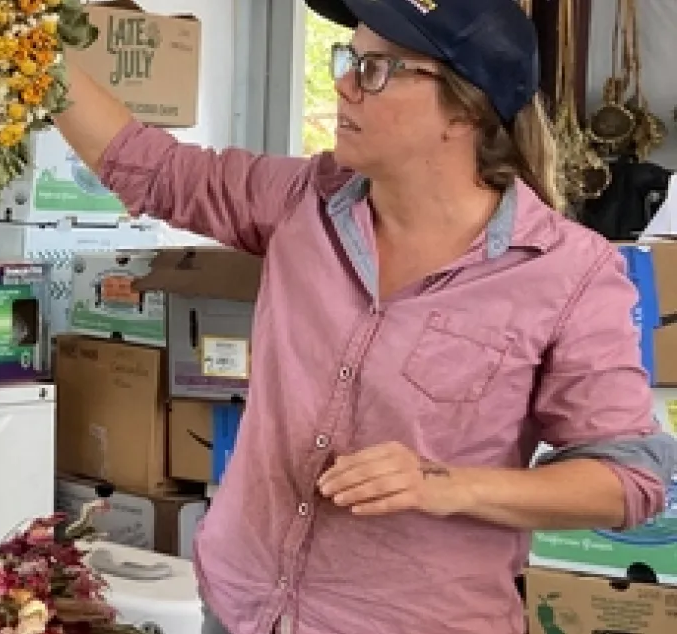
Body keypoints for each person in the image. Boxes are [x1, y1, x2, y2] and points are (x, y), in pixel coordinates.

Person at [50, 1, 676, 633]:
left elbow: (627, 479)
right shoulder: (304, 201)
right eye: (349, 58)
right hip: (241, 606)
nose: (344, 84)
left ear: (465, 107)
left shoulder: (568, 273)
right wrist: (26, 51)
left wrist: (444, 484)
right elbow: (153, 168)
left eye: (376, 69)